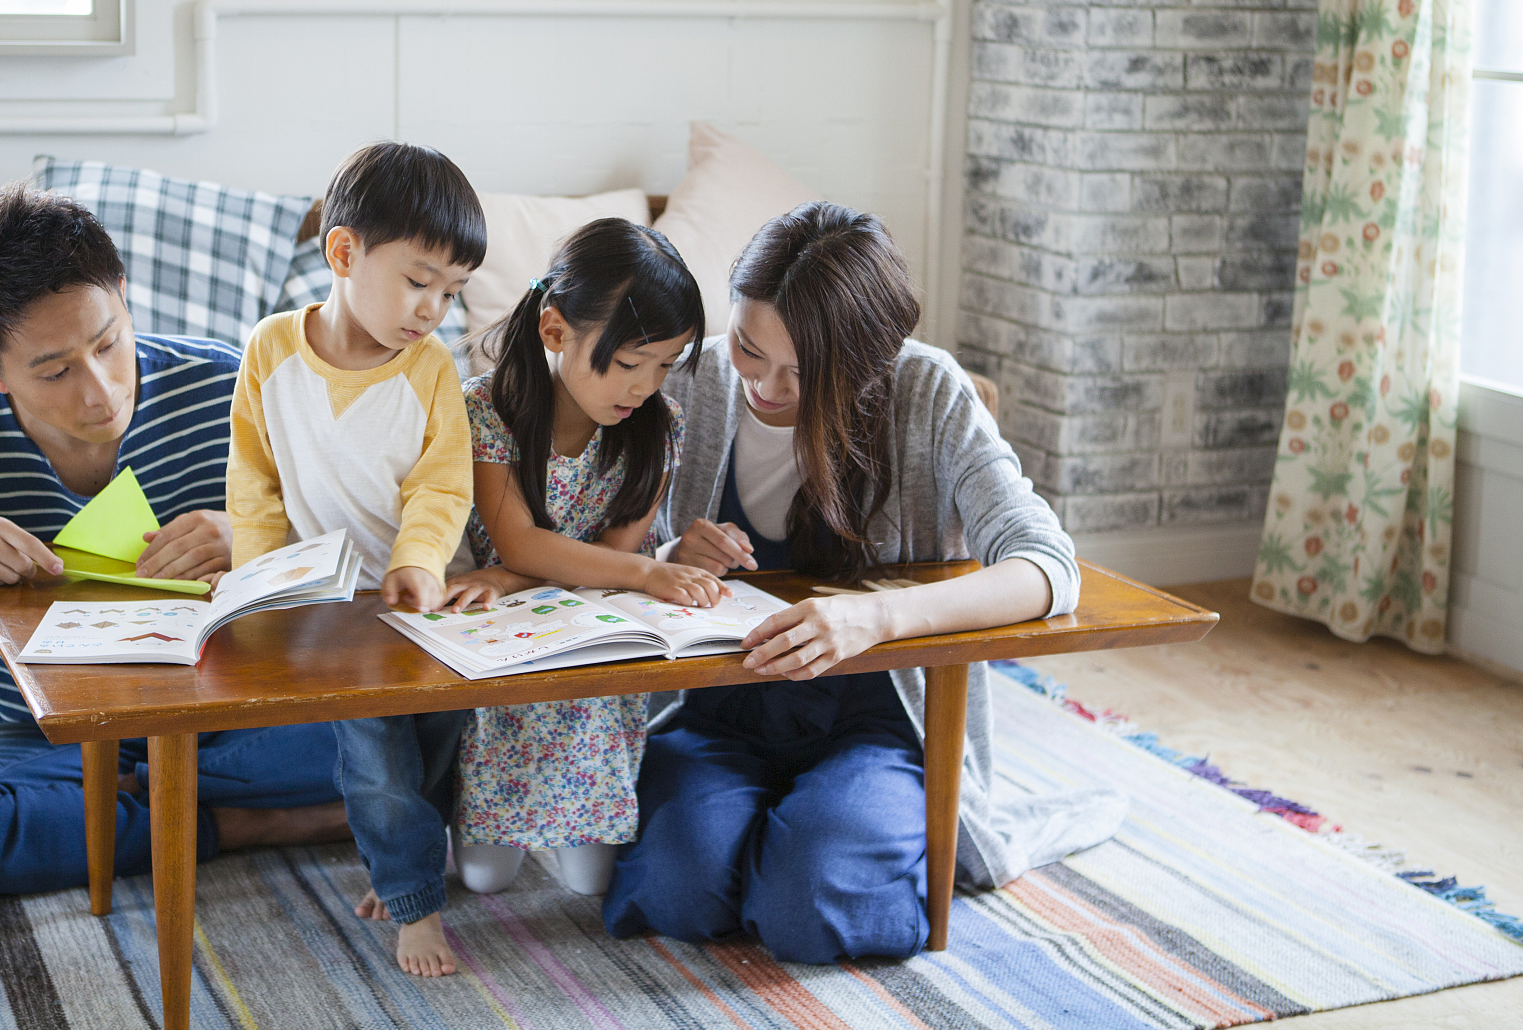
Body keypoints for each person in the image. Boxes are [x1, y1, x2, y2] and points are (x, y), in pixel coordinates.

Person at [602, 201, 1126, 964]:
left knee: (808, 905)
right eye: (751, 348)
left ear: (868, 357)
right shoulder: (697, 379)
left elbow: (1047, 567)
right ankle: (782, 839)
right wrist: (664, 552)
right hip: (719, 705)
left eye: (803, 371)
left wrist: (875, 621)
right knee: (677, 889)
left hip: (878, 720)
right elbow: (597, 532)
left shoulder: (929, 392)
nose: (767, 387)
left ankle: (813, 845)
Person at [0, 183, 348, 897]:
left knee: (426, 731)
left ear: (124, 296)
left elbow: (357, 550)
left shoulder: (226, 383)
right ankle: (246, 823)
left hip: (222, 712)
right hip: (39, 740)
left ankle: (130, 802)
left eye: (109, 342)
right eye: (56, 371)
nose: (100, 390)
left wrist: (252, 533)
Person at [225, 141, 482, 978]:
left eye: (452, 291)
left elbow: (444, 488)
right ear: (344, 253)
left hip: (424, 599)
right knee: (373, 760)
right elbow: (256, 481)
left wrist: (419, 563)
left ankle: (401, 860)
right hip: (335, 614)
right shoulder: (270, 351)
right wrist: (265, 581)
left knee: (437, 739)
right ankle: (413, 898)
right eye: (419, 281)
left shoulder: (433, 367)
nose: (434, 308)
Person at [439, 218, 720, 901]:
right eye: (630, 363)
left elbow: (610, 550)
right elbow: (523, 541)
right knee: (483, 878)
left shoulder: (658, 429)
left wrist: (508, 577)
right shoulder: (486, 413)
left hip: (594, 661)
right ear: (556, 330)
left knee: (592, 883)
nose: (645, 386)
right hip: (505, 660)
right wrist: (650, 572)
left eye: (664, 365)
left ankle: (585, 813)